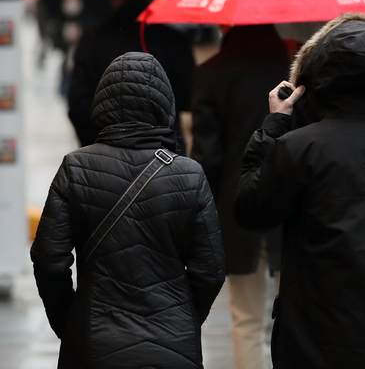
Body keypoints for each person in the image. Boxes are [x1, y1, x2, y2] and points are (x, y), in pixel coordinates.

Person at [235, 13, 365, 369]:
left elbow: (251, 210)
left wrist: (272, 129)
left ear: (311, 82)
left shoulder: (298, 147)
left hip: (316, 338)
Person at [31, 52, 225, 369]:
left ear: (102, 104)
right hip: (172, 346)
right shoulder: (190, 175)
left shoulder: (76, 168)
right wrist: (182, 320)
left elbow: (48, 259)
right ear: (164, 105)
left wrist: (70, 324)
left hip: (94, 343)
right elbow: (211, 269)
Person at [191, 25, 289, 369]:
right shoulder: (293, 68)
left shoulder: (212, 72)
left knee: (246, 319)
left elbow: (207, 158)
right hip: (289, 206)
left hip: (238, 208)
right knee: (294, 314)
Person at [67, 0, 195, 153]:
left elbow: (78, 104)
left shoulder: (92, 40)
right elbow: (188, 97)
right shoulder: (173, 40)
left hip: (105, 153)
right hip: (165, 154)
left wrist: (93, 143)